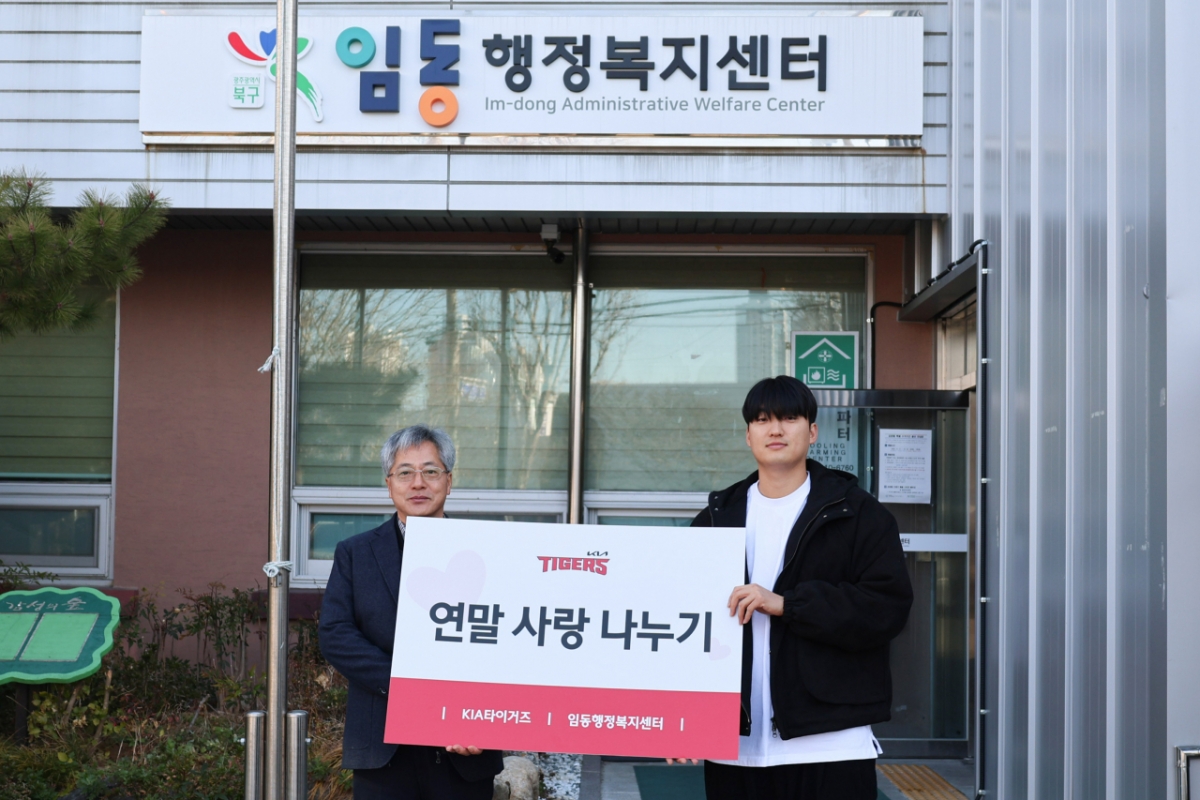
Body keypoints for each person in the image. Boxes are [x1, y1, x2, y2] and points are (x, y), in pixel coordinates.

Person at [686, 376, 913, 799]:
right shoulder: (716, 518)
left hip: (831, 743)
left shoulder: (858, 514)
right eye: (762, 420)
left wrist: (788, 604)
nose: (775, 429)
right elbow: (681, 618)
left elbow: (887, 607)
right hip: (735, 749)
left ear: (812, 432)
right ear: (748, 435)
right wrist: (680, 720)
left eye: (789, 418)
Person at [319, 424, 504, 800]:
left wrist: (483, 717)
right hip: (383, 747)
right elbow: (336, 634)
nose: (418, 483)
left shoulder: (489, 551)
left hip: (464, 747)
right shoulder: (355, 553)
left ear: (449, 482)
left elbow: (508, 639)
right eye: (405, 472)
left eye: (430, 471)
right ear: (389, 484)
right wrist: (410, 686)